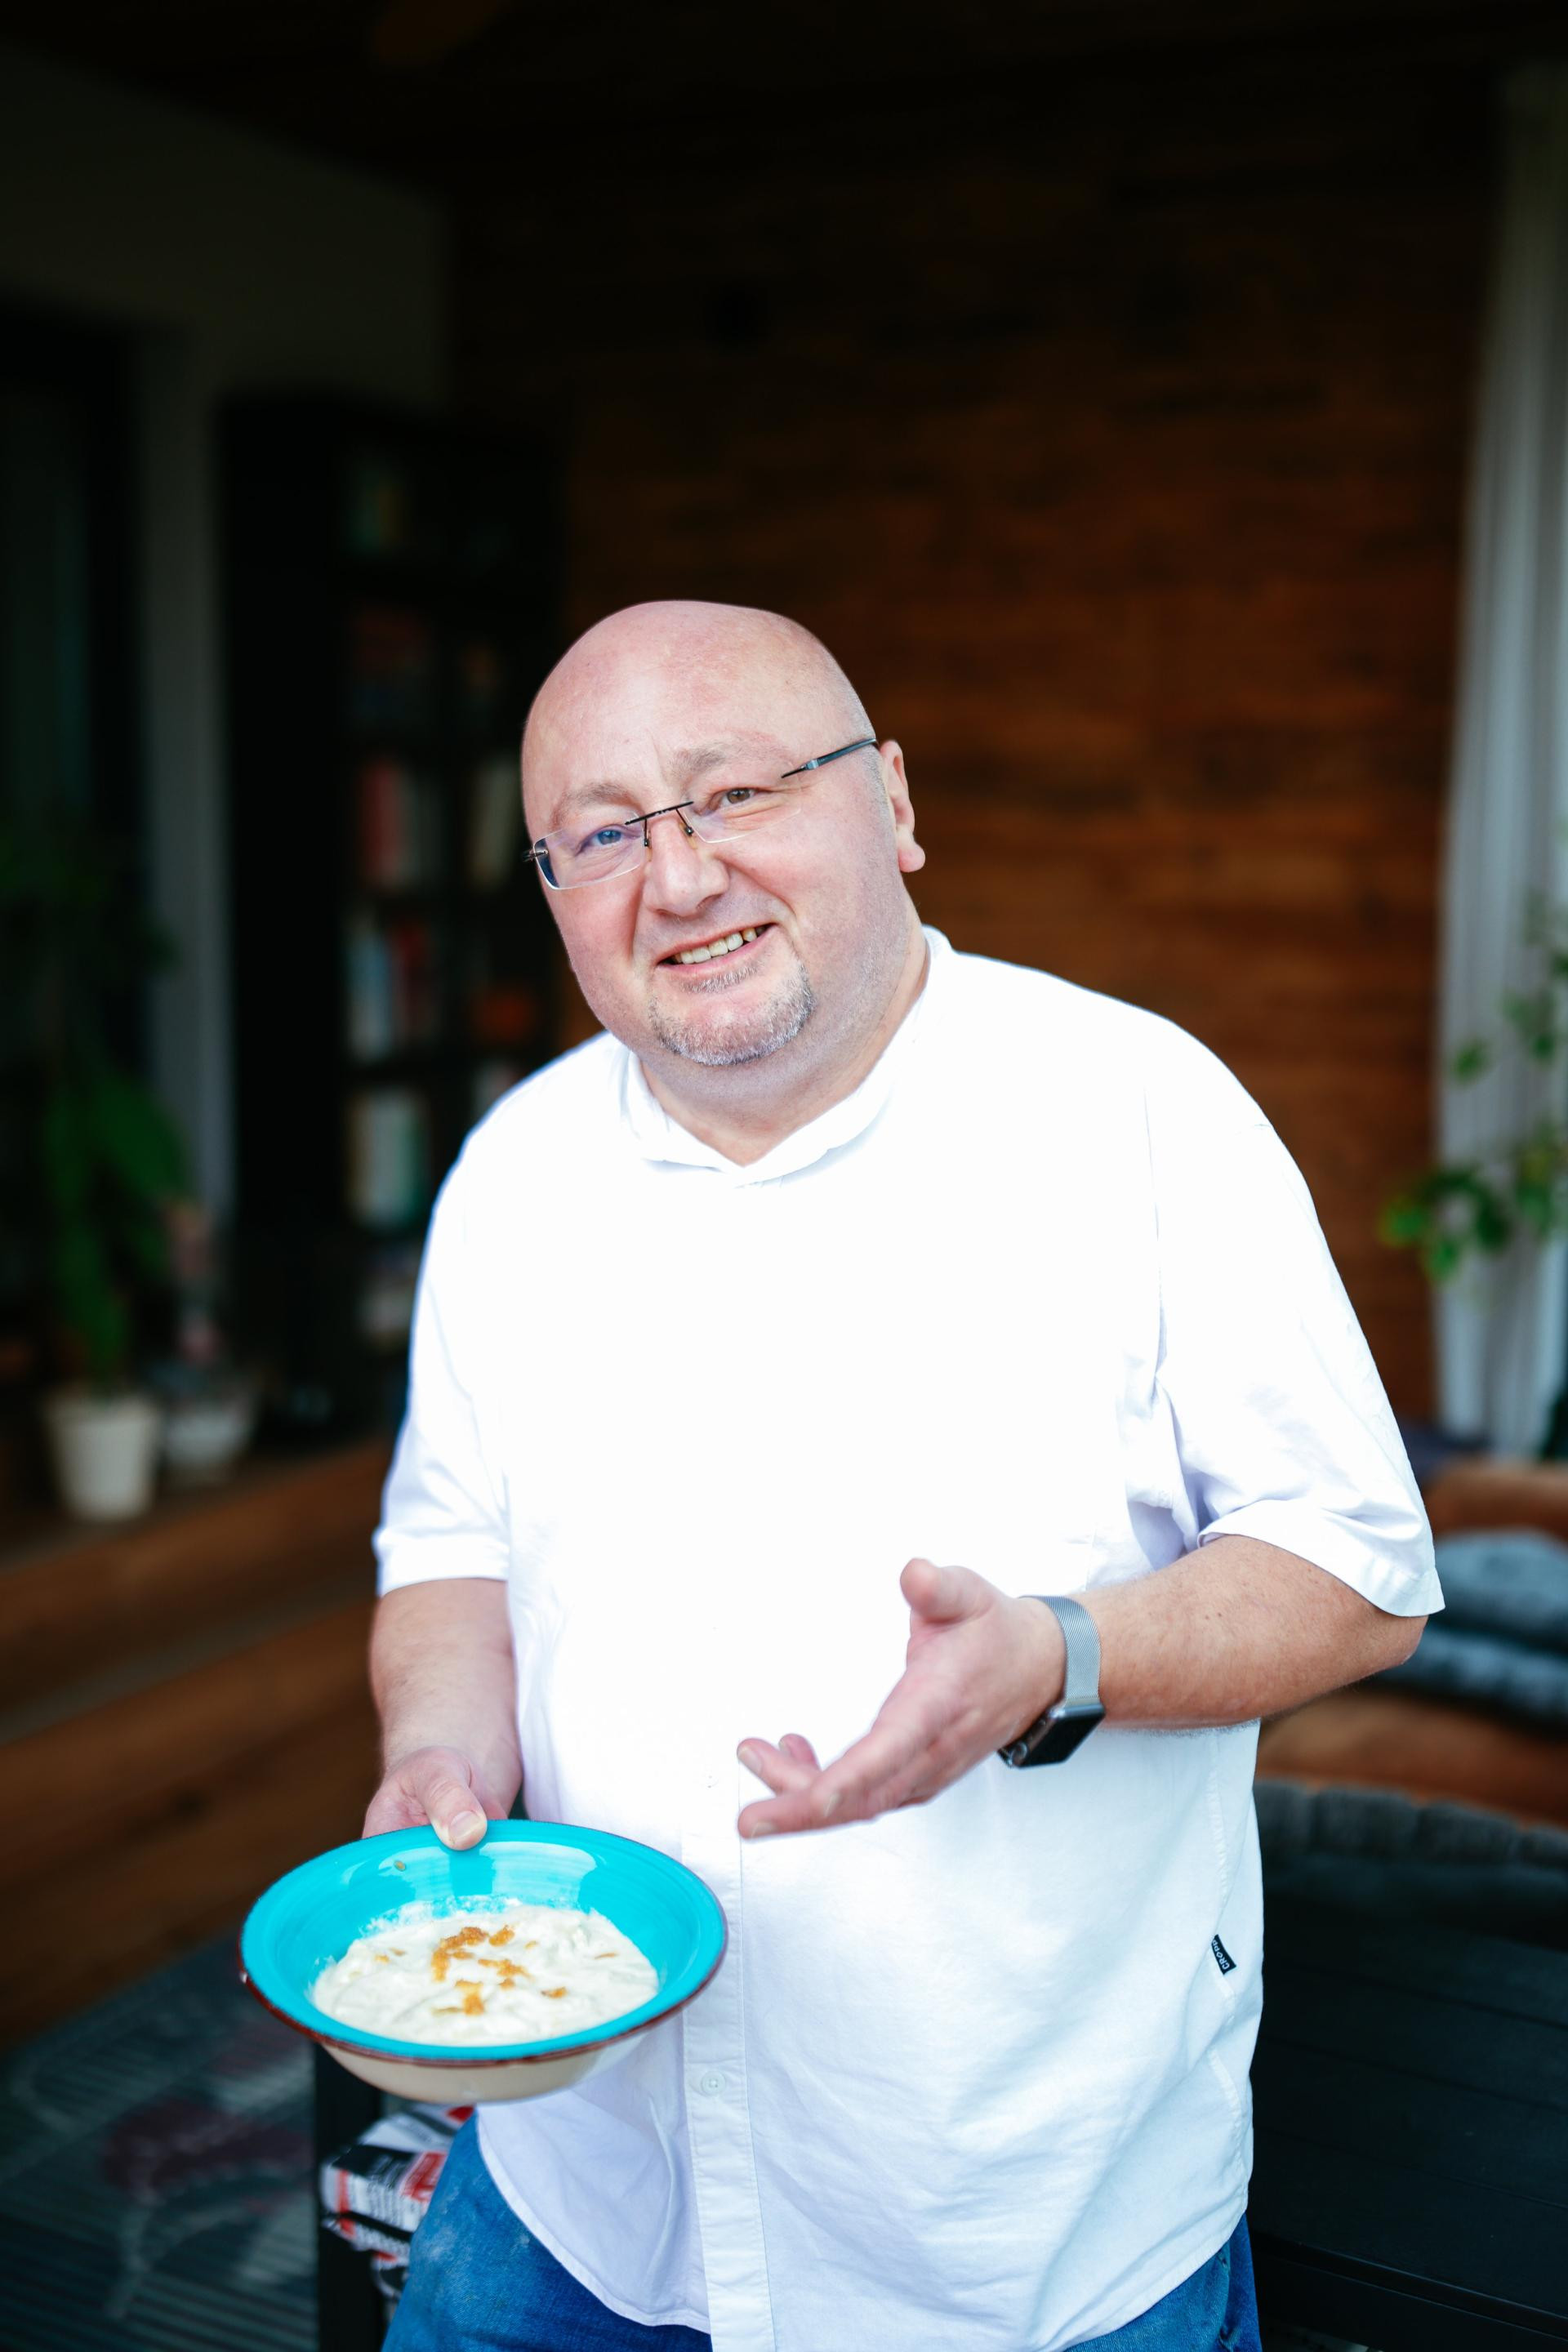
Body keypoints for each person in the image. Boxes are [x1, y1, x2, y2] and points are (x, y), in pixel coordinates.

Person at [370, 599, 1440, 2352]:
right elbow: (450, 1551)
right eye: (604, 835)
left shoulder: (1141, 1111)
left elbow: (1357, 1568)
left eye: (737, 793)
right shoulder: (513, 1171)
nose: (681, 877)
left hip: (1021, 2234)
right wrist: (439, 1752)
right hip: (577, 2197)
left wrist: (1063, 1655)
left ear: (896, 804)